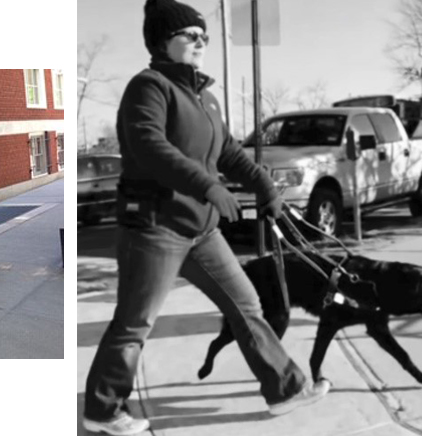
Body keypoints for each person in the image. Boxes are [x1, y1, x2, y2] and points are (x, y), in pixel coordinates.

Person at [81, 1, 327, 435]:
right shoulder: (149, 88)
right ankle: (102, 411)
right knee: (135, 322)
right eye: (189, 36)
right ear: (162, 41)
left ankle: (284, 388)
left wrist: (263, 184)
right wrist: (208, 186)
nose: (200, 43)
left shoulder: (204, 97)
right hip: (155, 227)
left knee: (247, 304)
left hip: (202, 229)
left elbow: (228, 151)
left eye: (204, 37)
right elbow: (149, 145)